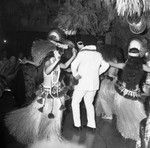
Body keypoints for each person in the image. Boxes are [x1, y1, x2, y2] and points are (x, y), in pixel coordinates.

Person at [5, 37, 77, 144]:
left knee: (56, 117)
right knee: (41, 116)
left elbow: (65, 65)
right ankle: (43, 134)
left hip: (56, 94)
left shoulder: (57, 63)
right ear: (53, 54)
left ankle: (52, 135)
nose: (60, 54)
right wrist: (56, 60)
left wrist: (74, 56)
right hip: (46, 96)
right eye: (58, 52)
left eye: (59, 52)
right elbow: (47, 71)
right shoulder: (48, 62)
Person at [108, 39, 150, 148]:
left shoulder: (124, 65)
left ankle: (127, 132)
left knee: (124, 116)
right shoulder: (143, 67)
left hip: (123, 93)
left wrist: (107, 57)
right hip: (134, 95)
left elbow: (110, 63)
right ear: (138, 56)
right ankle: (139, 135)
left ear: (129, 56)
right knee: (138, 116)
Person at [71, 37, 110, 131]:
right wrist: (97, 73)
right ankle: (91, 126)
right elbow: (107, 65)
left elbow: (73, 65)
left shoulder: (82, 53)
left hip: (82, 83)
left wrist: (75, 74)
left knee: (75, 102)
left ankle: (77, 125)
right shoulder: (98, 54)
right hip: (94, 84)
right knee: (89, 103)